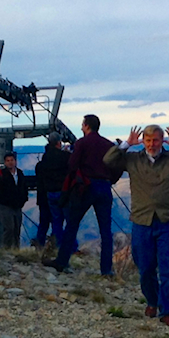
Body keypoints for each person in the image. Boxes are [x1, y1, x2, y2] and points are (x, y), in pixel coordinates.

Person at [104, 124, 169, 326]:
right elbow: (108, 161)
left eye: (155, 140)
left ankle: (167, 311)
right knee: (145, 268)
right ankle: (152, 301)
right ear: (143, 141)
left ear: (162, 140)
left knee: (168, 269)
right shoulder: (132, 159)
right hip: (142, 221)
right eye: (148, 140)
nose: (151, 144)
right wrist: (126, 144)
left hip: (167, 221)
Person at [50, 114, 118, 276]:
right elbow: (117, 165)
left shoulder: (81, 143)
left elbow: (72, 165)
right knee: (106, 231)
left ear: (87, 126)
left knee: (72, 224)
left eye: (82, 124)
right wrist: (110, 180)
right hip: (104, 186)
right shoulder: (108, 144)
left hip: (85, 187)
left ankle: (62, 261)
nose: (81, 127)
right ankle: (106, 270)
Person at [33, 135, 70, 248]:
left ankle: (52, 245)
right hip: (63, 192)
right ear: (59, 143)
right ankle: (69, 247)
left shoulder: (44, 160)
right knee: (69, 221)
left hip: (48, 193)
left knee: (54, 221)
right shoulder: (64, 157)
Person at [0, 151, 30, 249]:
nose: (10, 162)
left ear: (15, 161)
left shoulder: (20, 173)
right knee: (9, 228)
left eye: (12, 160)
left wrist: (23, 199)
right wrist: (4, 200)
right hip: (6, 205)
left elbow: (24, 187)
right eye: (8, 161)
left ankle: (16, 248)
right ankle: (7, 248)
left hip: (17, 205)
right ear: (5, 162)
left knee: (17, 228)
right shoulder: (1, 175)